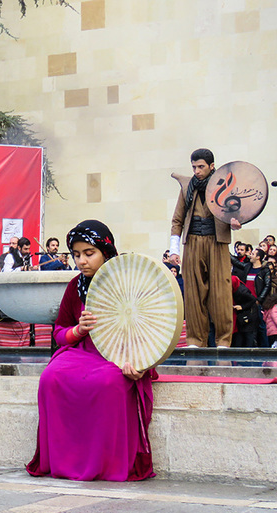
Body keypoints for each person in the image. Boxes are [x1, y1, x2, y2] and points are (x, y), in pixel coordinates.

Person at [26, 220, 156, 481]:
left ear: (106, 252)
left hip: (121, 354)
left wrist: (139, 364)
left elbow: (152, 331)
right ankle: (64, 462)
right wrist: (79, 330)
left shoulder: (129, 281)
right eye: (76, 255)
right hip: (82, 352)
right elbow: (60, 333)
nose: (81, 261)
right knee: (51, 378)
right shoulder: (76, 286)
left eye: (89, 253)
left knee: (108, 382)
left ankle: (104, 464)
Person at [170, 148, 238, 348]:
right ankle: (195, 341)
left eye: (201, 166)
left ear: (212, 166)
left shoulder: (224, 185)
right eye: (194, 167)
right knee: (193, 292)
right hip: (192, 241)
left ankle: (223, 341)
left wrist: (236, 223)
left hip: (217, 242)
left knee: (221, 292)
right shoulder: (187, 187)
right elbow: (177, 220)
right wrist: (174, 249)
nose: (197, 171)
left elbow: (236, 212)